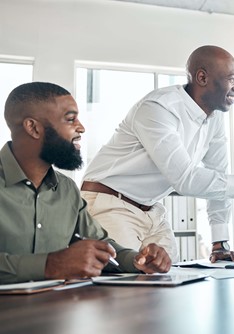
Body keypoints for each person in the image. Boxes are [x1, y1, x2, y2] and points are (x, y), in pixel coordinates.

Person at [80, 45, 234, 263]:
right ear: (202, 77)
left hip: (151, 211)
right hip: (110, 203)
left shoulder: (215, 118)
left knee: (170, 279)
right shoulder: (158, 108)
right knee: (123, 284)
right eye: (231, 79)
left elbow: (218, 175)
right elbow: (185, 179)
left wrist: (219, 243)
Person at [0, 82, 171, 284]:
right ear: (33, 128)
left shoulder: (66, 190)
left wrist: (138, 260)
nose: (81, 127)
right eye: (70, 119)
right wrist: (50, 265)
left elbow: (101, 243)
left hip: (52, 309)